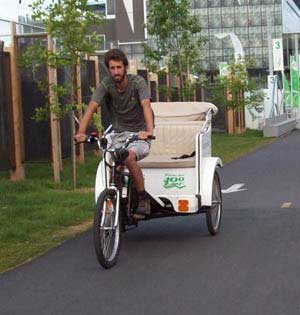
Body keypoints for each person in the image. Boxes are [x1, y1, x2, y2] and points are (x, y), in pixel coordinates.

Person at [74, 49, 154, 215]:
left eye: (119, 67)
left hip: (138, 134)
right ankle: (115, 198)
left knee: (128, 157)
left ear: (125, 67)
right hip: (117, 134)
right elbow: (92, 107)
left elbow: (146, 105)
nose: (116, 71)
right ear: (108, 69)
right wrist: (81, 132)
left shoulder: (138, 82)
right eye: (112, 68)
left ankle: (142, 196)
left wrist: (148, 131)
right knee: (110, 160)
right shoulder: (106, 84)